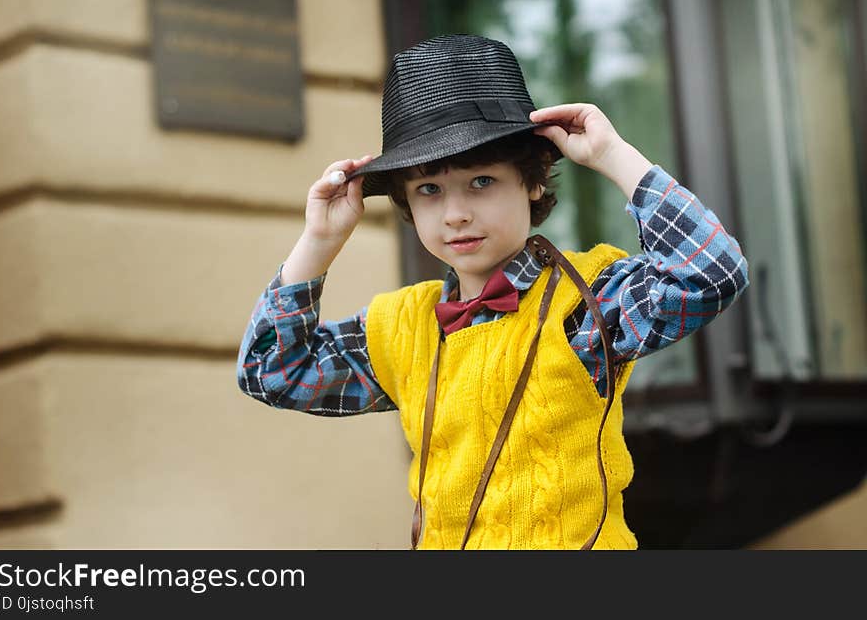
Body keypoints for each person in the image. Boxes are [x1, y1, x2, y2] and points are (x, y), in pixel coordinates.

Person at [236, 34, 749, 550]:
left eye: (481, 181)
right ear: (408, 205)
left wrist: (614, 156)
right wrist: (320, 241)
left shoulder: (585, 302)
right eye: (429, 190)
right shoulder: (403, 327)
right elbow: (271, 370)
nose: (456, 213)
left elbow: (710, 272)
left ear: (532, 180)